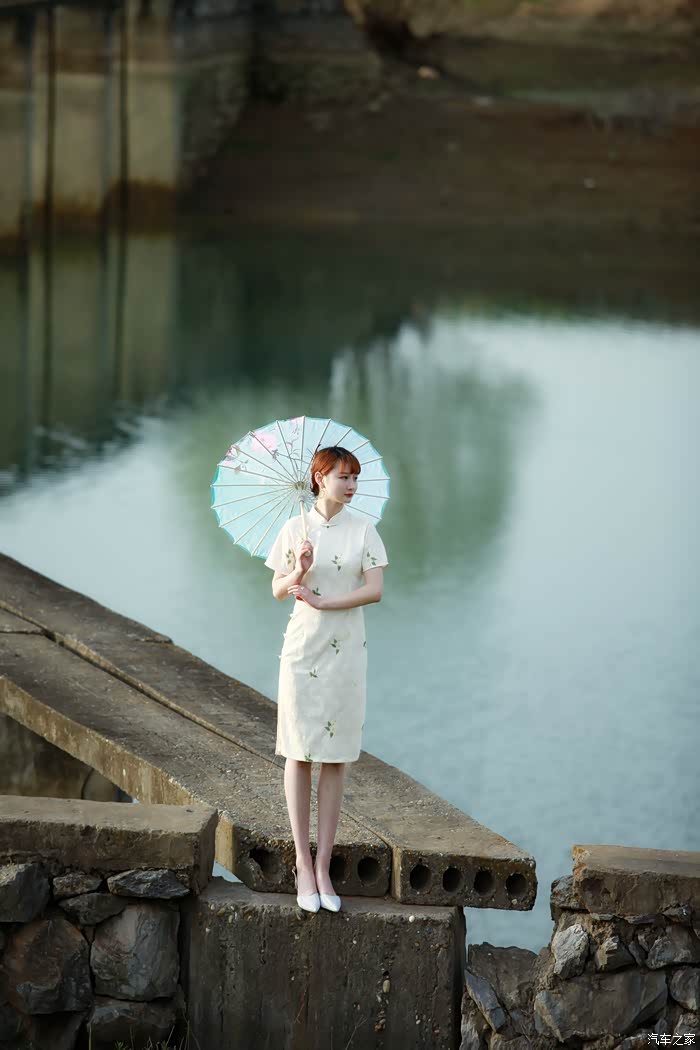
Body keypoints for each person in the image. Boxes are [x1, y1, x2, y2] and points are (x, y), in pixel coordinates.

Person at [264, 445, 388, 913]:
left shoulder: (364, 530)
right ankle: (302, 862)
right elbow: (278, 590)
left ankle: (323, 867)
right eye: (343, 476)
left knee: (336, 756)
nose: (351, 485)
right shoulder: (294, 529)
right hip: (302, 651)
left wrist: (324, 602)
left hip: (346, 652)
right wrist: (299, 569)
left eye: (355, 477)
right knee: (298, 751)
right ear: (319, 478)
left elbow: (374, 591)